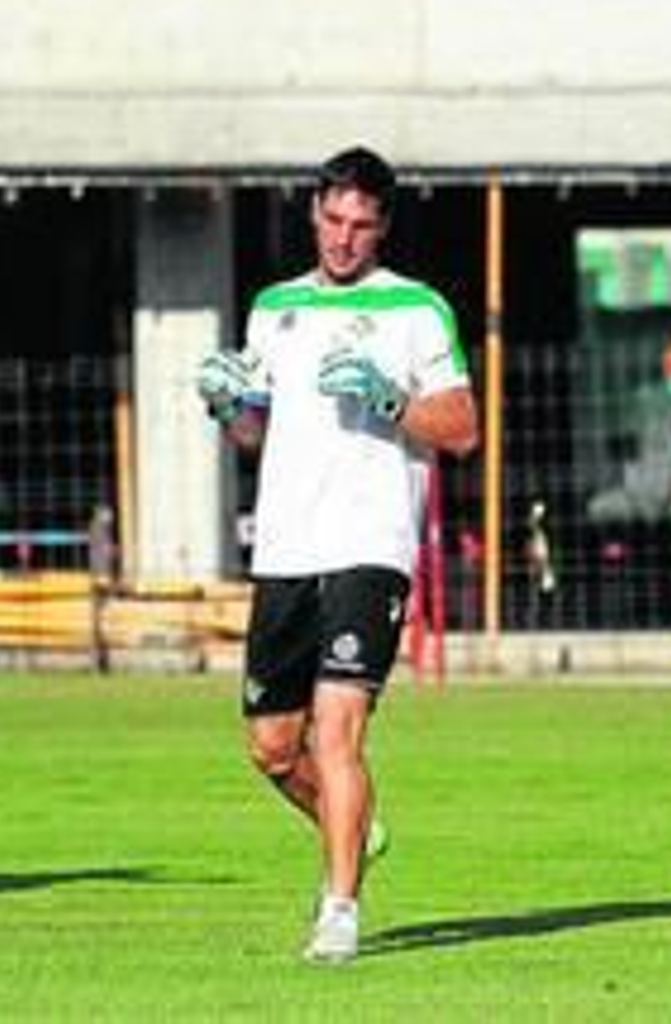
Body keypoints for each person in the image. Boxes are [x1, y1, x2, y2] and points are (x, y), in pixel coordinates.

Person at [195, 145, 479, 964]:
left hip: (369, 544)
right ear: (314, 214)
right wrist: (227, 405)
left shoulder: (417, 310)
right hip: (286, 547)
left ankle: (339, 910)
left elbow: (461, 428)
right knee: (272, 747)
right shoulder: (273, 306)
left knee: (336, 731)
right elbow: (260, 431)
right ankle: (355, 826)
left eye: (361, 224)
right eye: (333, 219)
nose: (345, 237)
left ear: (383, 226)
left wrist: (389, 397)